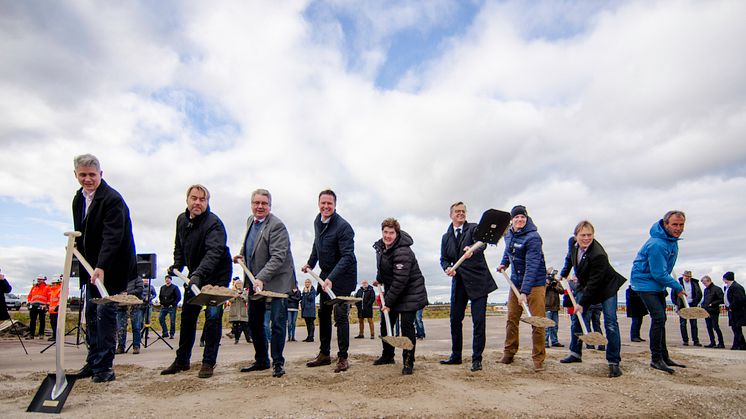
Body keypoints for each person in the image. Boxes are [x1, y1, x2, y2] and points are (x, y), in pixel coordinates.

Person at [72, 154, 138, 383]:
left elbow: (113, 236)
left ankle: (105, 367)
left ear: (101, 174)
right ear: (76, 175)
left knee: (105, 314)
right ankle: (93, 362)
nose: (87, 179)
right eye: (83, 175)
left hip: (112, 267)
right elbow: (82, 231)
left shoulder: (112, 199)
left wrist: (101, 266)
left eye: (92, 174)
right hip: (91, 268)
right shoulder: (78, 199)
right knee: (90, 315)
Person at [161, 184, 232, 379]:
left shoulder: (214, 224)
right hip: (195, 275)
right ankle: (182, 360)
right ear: (187, 200)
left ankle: (208, 361)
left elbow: (214, 252)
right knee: (188, 317)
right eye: (194, 198)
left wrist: (199, 274)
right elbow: (179, 245)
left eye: (202, 199)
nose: (197, 203)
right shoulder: (181, 220)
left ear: (207, 202)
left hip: (217, 275)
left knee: (212, 317)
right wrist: (177, 265)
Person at [236, 189, 296, 378]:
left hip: (277, 281)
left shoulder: (277, 226)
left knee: (277, 323)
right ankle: (262, 360)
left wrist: (261, 277)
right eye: (256, 203)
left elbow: (278, 256)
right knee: (254, 322)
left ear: (270, 205)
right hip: (256, 281)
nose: (260, 206)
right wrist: (241, 255)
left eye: (264, 203)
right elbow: (251, 246)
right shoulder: (250, 221)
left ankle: (278, 362)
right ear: (251, 204)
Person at [558, 220, 627, 378]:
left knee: (610, 322)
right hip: (586, 284)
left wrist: (582, 304)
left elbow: (594, 284)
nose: (586, 238)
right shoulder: (572, 243)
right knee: (577, 319)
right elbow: (569, 258)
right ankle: (575, 353)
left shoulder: (598, 255)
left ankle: (613, 362)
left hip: (606, 288)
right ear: (576, 236)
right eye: (583, 235)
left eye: (590, 235)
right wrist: (564, 273)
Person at [302, 190, 357, 373]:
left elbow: (347, 256)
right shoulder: (318, 221)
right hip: (326, 274)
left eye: (329, 204)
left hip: (343, 274)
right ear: (318, 203)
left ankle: (343, 357)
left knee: (340, 315)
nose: (326, 207)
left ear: (335, 205)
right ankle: (324, 354)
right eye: (323, 203)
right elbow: (317, 245)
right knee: (323, 313)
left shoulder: (343, 227)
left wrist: (332, 278)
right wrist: (310, 263)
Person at [440, 202, 497, 372]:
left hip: (478, 281)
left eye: (463, 211)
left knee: (478, 322)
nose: (461, 214)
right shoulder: (446, 236)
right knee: (455, 320)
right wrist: (447, 268)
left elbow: (484, 242)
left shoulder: (473, 229)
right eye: (457, 211)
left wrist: (473, 249)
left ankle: (476, 359)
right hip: (459, 283)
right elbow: (443, 258)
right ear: (451, 215)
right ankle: (456, 356)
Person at [630, 210, 687, 374]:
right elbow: (658, 273)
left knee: (662, 318)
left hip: (657, 285)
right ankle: (656, 359)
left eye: (681, 225)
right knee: (659, 318)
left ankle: (664, 356)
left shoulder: (671, 241)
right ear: (665, 224)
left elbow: (664, 270)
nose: (678, 228)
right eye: (674, 224)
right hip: (644, 283)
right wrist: (677, 287)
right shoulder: (658, 244)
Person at [372, 218, 428, 374]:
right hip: (395, 291)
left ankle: (408, 361)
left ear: (397, 234)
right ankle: (388, 355)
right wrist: (379, 279)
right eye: (385, 232)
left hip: (410, 292)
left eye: (391, 233)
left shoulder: (403, 250)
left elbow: (400, 280)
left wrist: (387, 303)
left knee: (407, 327)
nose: (388, 236)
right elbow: (384, 268)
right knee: (386, 324)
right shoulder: (382, 247)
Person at [498, 205, 548, 372]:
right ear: (512, 220)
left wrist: (525, 292)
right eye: (517, 217)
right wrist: (504, 263)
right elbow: (508, 250)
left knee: (537, 321)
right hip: (516, 282)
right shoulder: (509, 233)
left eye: (523, 217)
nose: (520, 220)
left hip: (535, 284)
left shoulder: (533, 238)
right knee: (512, 318)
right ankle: (509, 352)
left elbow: (532, 266)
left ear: (526, 219)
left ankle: (538, 358)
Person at [674, 270, 702, 346]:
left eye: (689, 276)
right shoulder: (678, 283)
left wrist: (695, 302)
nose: (687, 278)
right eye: (686, 276)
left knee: (694, 324)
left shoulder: (695, 283)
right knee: (683, 324)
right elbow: (673, 294)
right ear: (683, 276)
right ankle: (685, 340)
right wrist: (676, 304)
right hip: (682, 305)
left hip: (692, 305)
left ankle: (696, 340)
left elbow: (699, 294)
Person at [723, 272, 746, 350]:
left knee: (736, 328)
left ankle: (738, 345)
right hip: (732, 310)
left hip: (737, 311)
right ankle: (740, 345)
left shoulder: (736, 287)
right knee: (735, 328)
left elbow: (739, 299)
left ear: (726, 278)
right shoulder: (730, 287)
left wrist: (731, 307)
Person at [700, 275, 724, 348]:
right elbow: (705, 299)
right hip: (706, 311)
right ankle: (712, 342)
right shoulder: (706, 290)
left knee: (715, 327)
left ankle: (721, 343)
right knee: (709, 327)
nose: (704, 285)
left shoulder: (717, 289)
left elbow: (721, 299)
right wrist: (703, 305)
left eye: (705, 283)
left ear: (708, 281)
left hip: (714, 311)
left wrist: (712, 304)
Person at [544, 269, 563, 348]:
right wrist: (548, 284)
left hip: (555, 307)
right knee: (547, 325)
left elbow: (562, 291)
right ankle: (545, 341)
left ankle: (554, 341)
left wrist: (555, 286)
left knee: (555, 325)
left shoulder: (556, 281)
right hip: (547, 306)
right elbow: (542, 291)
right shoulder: (544, 281)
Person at [26, 275, 49, 339]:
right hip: (33, 306)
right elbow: (29, 296)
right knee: (32, 320)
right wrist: (29, 303)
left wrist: (47, 305)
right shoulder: (34, 287)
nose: (38, 280)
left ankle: (41, 334)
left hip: (42, 306)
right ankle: (31, 335)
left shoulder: (47, 287)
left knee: (42, 320)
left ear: (43, 280)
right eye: (38, 279)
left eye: (40, 279)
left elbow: (49, 297)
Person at [227, 278, 250, 344]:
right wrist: (235, 296)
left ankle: (248, 339)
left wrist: (242, 296)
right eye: (237, 284)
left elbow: (247, 300)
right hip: (235, 311)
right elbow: (230, 300)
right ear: (235, 285)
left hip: (242, 311)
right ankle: (236, 339)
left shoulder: (245, 291)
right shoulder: (232, 291)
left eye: (240, 284)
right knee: (236, 326)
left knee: (245, 326)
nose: (239, 285)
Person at [158, 275, 181, 339]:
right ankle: (165, 333)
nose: (167, 280)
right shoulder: (162, 287)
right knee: (160, 318)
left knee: (172, 321)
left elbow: (179, 297)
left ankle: (172, 334)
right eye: (166, 279)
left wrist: (173, 304)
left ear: (171, 280)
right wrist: (161, 303)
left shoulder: (175, 287)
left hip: (171, 307)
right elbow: (160, 296)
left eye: (168, 279)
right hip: (164, 306)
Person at [47, 276, 63, 341]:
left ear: (58, 283)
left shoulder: (60, 289)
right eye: (52, 283)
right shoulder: (52, 290)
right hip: (52, 311)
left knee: (56, 324)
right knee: (53, 324)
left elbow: (60, 298)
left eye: (54, 283)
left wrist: (58, 305)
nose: (53, 284)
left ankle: (56, 336)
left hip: (57, 311)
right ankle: (54, 335)